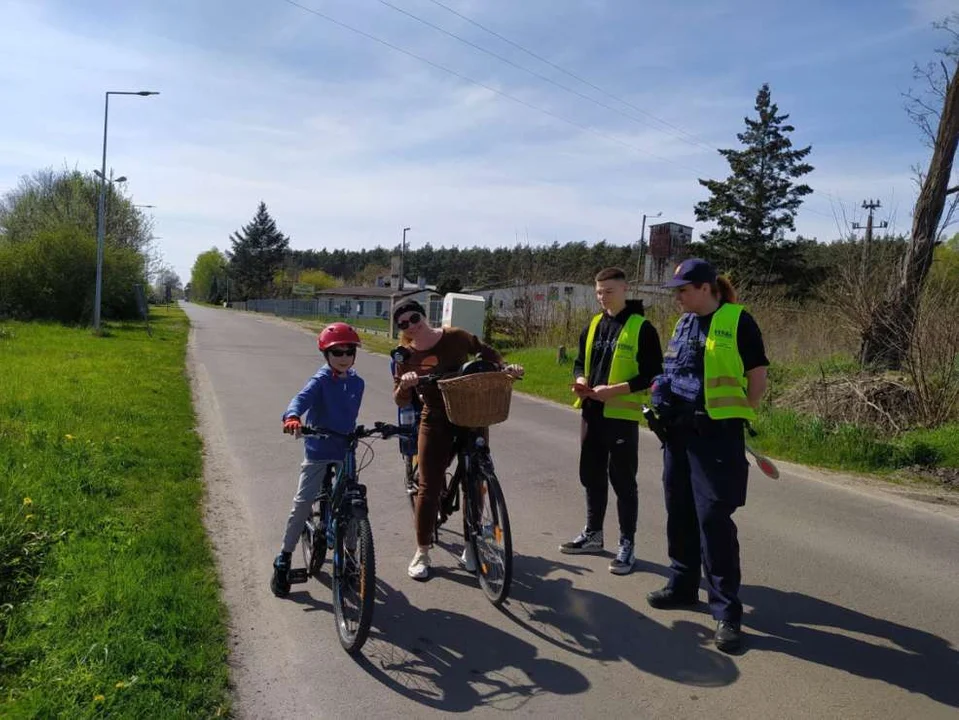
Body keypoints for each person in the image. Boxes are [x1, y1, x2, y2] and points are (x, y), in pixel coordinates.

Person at [645, 258, 769, 654]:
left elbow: (757, 380)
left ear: (705, 287)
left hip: (716, 436)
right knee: (678, 510)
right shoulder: (683, 323)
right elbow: (673, 370)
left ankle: (727, 612)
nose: (677, 297)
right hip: (678, 434)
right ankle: (682, 585)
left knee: (713, 519)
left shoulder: (738, 321)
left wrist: (731, 414)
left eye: (682, 289)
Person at [392, 300, 523, 581]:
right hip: (436, 418)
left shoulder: (455, 337)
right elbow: (400, 398)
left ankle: (471, 544)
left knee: (475, 481)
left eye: (414, 318)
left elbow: (486, 352)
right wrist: (405, 384)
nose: (411, 325)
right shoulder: (406, 356)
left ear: (424, 315)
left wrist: (504, 367)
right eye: (403, 324)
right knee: (429, 486)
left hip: (470, 412)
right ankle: (422, 551)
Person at [562, 267, 663, 575]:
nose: (603, 297)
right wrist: (580, 378)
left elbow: (651, 374)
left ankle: (627, 543)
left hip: (621, 416)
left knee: (622, 481)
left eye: (609, 291)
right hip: (591, 411)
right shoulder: (593, 324)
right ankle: (593, 534)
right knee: (591, 475)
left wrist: (614, 391)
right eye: (598, 292)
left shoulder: (641, 327)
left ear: (624, 289)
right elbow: (580, 361)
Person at [270, 322, 365, 597]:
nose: (344, 357)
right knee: (302, 503)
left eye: (349, 352)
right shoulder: (321, 380)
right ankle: (284, 557)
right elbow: (301, 399)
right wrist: (292, 417)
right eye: (337, 353)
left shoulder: (358, 382)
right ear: (326, 354)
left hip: (345, 449)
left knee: (350, 501)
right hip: (319, 449)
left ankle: (350, 556)